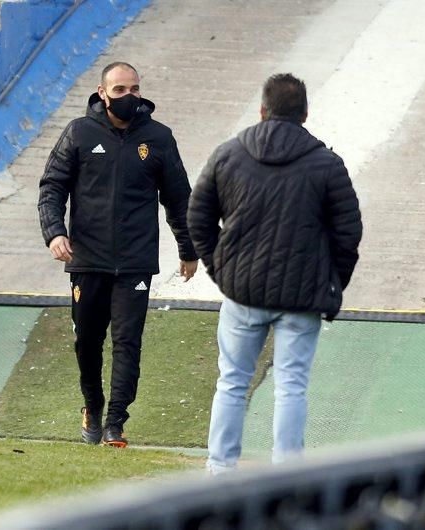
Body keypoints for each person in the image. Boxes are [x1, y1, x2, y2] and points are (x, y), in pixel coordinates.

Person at [187, 73, 362, 472]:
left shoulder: (228, 154)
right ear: (305, 113)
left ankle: (220, 471)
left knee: (231, 382)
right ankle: (288, 477)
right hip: (301, 297)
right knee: (291, 387)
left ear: (262, 110)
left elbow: (198, 218)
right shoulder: (327, 164)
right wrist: (331, 284)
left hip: (242, 293)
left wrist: (222, 269)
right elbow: (348, 233)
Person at [38, 61, 198, 448]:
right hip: (87, 257)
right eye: (121, 90)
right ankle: (92, 406)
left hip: (135, 261)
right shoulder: (78, 132)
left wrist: (188, 248)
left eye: (135, 89)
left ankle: (116, 422)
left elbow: (179, 199)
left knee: (128, 341)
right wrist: (54, 233)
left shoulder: (159, 138)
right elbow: (52, 187)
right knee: (88, 341)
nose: (129, 96)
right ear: (103, 91)